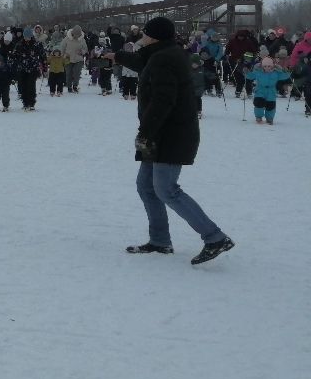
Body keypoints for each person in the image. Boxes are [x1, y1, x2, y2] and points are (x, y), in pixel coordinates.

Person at [111, 16, 234, 265]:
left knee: (166, 189)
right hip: (163, 132)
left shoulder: (164, 58)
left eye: (145, 33)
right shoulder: (163, 53)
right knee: (146, 186)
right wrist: (117, 56)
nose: (141, 36)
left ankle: (214, 237)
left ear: (153, 36)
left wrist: (145, 133)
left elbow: (163, 101)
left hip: (170, 134)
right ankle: (160, 241)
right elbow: (143, 63)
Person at [245, 55, 291, 125]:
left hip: (271, 91)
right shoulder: (258, 72)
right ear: (262, 66)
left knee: (271, 105)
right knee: (258, 103)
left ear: (272, 66)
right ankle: (258, 116)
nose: (267, 68)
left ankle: (269, 118)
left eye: (269, 66)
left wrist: (287, 71)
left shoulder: (276, 73)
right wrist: (247, 72)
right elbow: (250, 76)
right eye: (265, 66)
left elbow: (285, 76)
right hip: (260, 90)